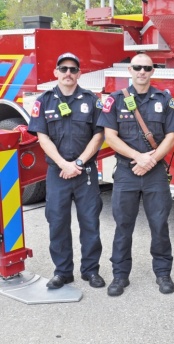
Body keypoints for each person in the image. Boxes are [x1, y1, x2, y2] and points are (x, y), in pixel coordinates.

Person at [97, 53, 174, 296]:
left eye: (147, 68)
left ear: (153, 71)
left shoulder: (164, 100)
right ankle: (120, 276)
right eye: (137, 67)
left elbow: (171, 137)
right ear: (130, 71)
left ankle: (163, 274)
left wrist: (150, 160)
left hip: (154, 173)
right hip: (126, 172)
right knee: (123, 225)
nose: (142, 71)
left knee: (159, 225)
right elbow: (110, 137)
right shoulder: (115, 100)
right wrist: (138, 157)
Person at [28, 52, 105, 289]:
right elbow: (42, 137)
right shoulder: (44, 101)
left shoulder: (92, 100)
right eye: (64, 69)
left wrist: (79, 163)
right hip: (57, 173)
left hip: (86, 172)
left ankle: (90, 271)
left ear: (79, 73)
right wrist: (63, 164)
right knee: (58, 222)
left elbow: (99, 135)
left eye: (73, 69)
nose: (68, 73)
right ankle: (63, 272)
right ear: (56, 73)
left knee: (90, 222)